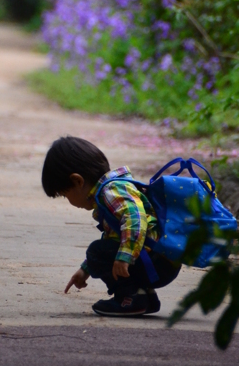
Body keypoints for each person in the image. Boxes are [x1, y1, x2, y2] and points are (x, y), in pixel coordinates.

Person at [41, 136, 180, 318]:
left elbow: (135, 218)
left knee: (96, 252)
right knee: (100, 251)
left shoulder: (110, 192)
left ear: (77, 181)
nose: (68, 201)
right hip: (161, 262)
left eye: (65, 195)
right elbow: (113, 238)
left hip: (157, 263)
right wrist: (85, 269)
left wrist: (125, 256)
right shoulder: (113, 190)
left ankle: (129, 297)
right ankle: (144, 296)